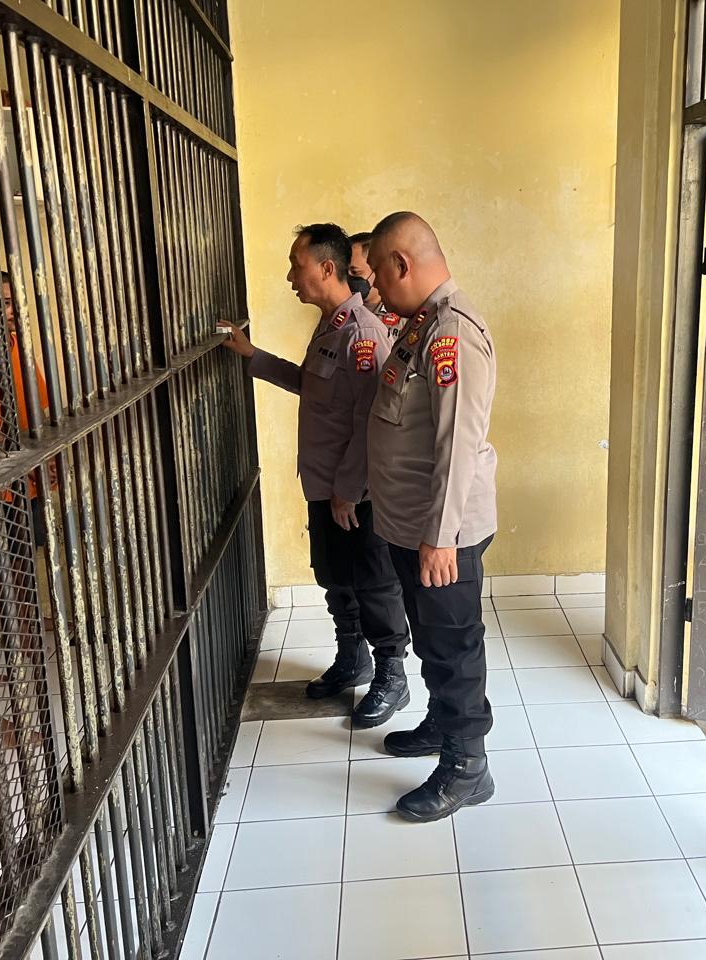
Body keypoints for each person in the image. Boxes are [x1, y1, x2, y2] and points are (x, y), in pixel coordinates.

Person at [218, 223, 412, 728]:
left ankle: (392, 675)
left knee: (374, 583)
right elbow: (312, 384)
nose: (290, 276)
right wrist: (252, 355)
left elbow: (370, 421)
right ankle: (353, 658)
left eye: (296, 265)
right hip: (326, 484)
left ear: (327, 268)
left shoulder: (363, 334)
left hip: (356, 491)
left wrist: (348, 491)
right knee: (335, 577)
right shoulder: (331, 325)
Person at [365, 211, 499, 822]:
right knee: (431, 638)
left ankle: (467, 767)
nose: (375, 286)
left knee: (452, 647)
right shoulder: (420, 327)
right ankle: (445, 726)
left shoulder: (451, 334)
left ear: (402, 263)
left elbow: (458, 444)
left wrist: (441, 537)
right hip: (414, 524)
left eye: (378, 272)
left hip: (442, 531)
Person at [348, 231, 403, 338]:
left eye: (355, 272)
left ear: (378, 270)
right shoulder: (339, 312)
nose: (347, 278)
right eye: (343, 272)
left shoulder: (404, 315)